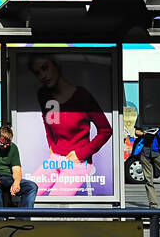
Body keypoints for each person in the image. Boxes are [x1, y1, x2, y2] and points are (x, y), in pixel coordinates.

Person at [28, 53, 112, 196]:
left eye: (45, 68)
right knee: (28, 193)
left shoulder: (82, 96)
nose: (42, 75)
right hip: (55, 159)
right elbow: (47, 121)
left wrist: (81, 154)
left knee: (54, 202)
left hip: (77, 161)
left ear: (57, 66)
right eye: (37, 73)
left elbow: (105, 130)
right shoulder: (43, 94)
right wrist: (51, 146)